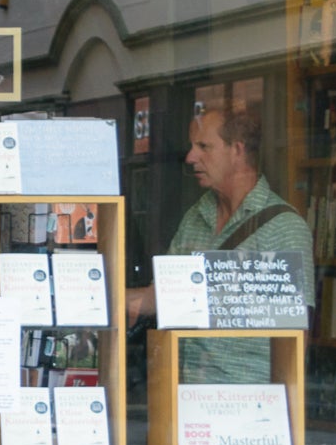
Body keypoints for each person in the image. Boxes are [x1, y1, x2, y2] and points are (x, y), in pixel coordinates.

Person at [124, 102, 314, 386]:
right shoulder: (196, 216)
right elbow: (164, 295)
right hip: (184, 397)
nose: (190, 157)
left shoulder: (284, 227)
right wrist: (99, 298)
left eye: (204, 146)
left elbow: (296, 341)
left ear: (237, 150)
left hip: (249, 405)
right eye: (192, 146)